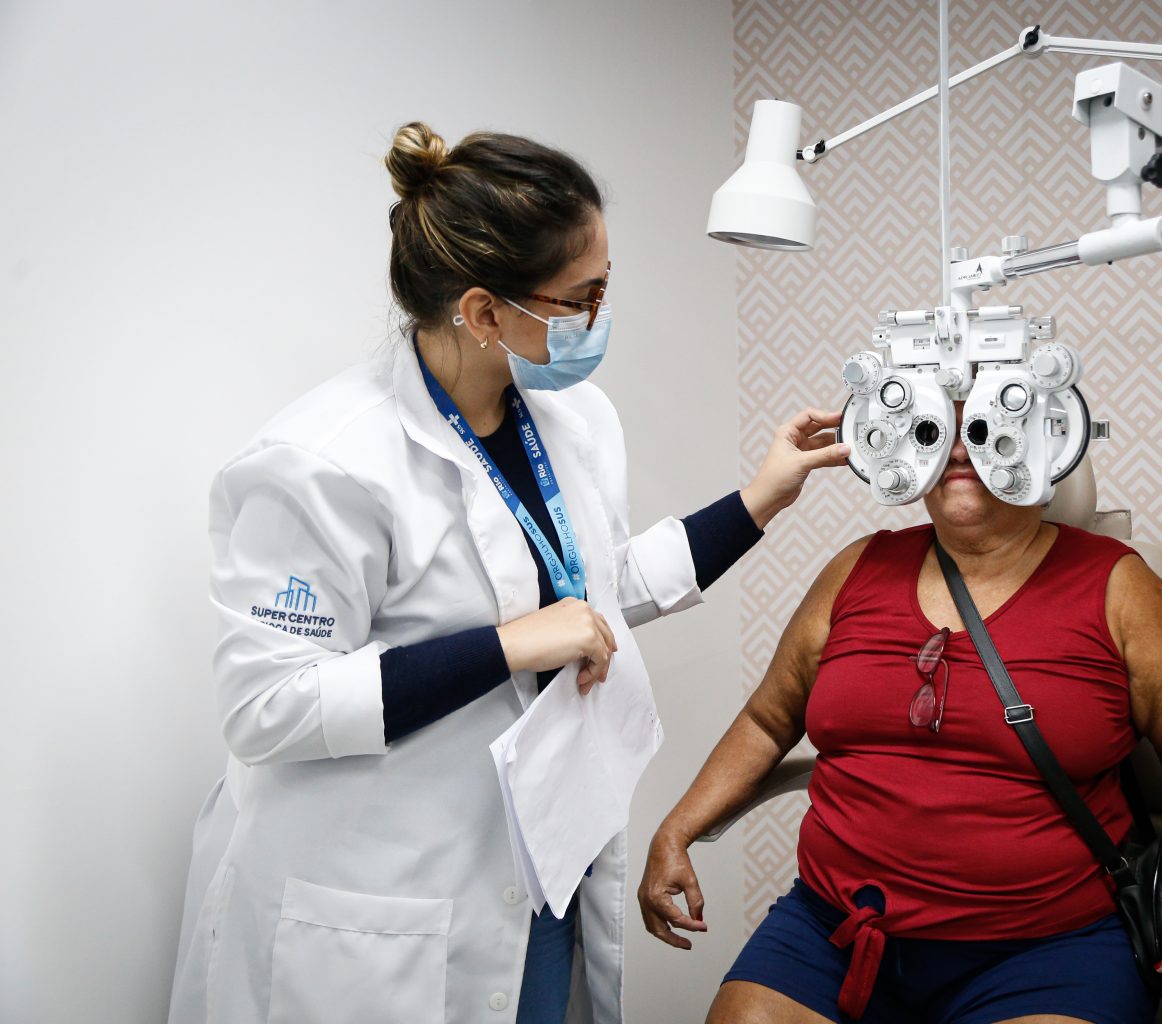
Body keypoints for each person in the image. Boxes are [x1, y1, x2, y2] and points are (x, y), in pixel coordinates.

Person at [168, 122, 848, 1024]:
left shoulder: (571, 420)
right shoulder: (322, 461)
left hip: (536, 880)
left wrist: (761, 498)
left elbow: (595, 590)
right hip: (381, 906)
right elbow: (266, 709)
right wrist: (506, 647)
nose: (600, 318)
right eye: (582, 298)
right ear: (485, 311)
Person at [640, 410, 1162, 1024]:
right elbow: (768, 719)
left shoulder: (1122, 588)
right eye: (936, 431)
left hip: (1046, 950)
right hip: (834, 932)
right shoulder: (855, 569)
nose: (961, 451)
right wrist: (673, 830)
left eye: (989, 430)